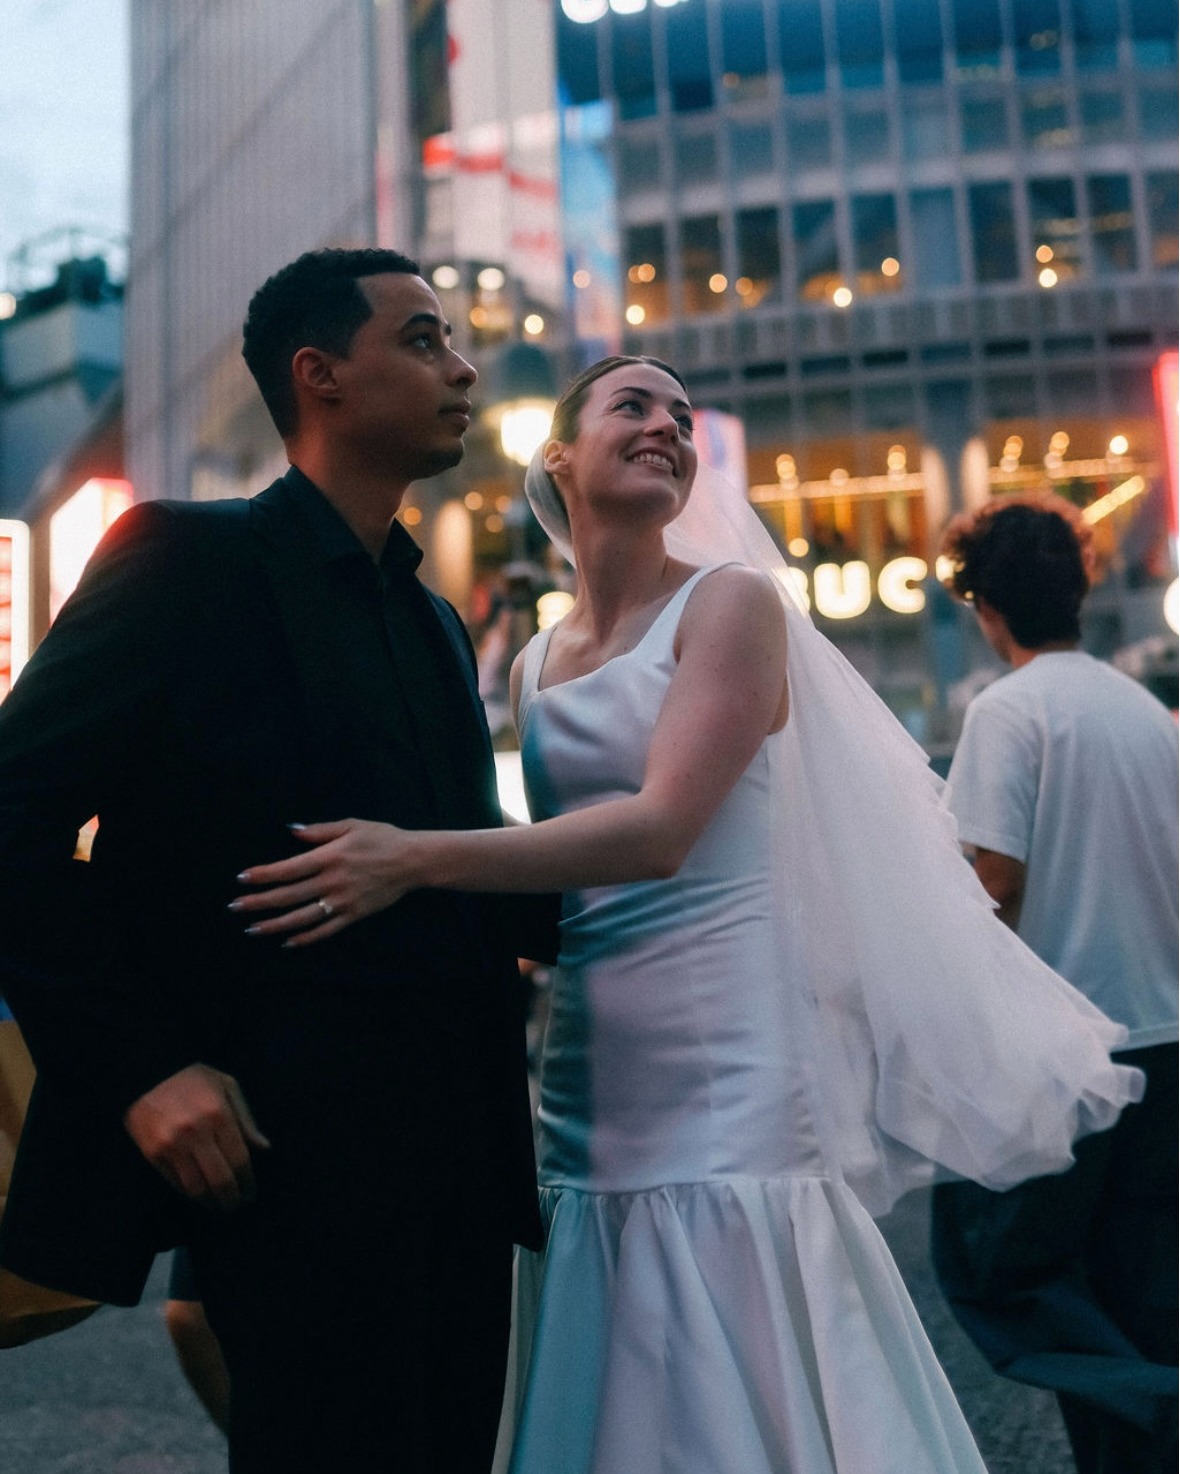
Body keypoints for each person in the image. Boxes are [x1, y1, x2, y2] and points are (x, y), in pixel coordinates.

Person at [234, 356, 1142, 1474]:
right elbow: (557, 865)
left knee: (736, 1330)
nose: (666, 424)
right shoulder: (535, 660)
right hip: (596, 1058)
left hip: (728, 1054)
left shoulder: (730, 603)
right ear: (558, 455)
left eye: (679, 414)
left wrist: (412, 860)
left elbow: (663, 830)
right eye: (633, 405)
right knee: (610, 1338)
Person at [0, 247, 555, 1473]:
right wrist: (141, 1068)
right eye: (422, 339)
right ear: (320, 375)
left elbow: (466, 871)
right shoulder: (186, 562)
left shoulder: (429, 617)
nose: (462, 367)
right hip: (281, 1162)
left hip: (460, 1163)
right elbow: (11, 821)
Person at [931, 494, 1178, 1474]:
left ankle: (1157, 1401)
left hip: (1065, 1050)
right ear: (1079, 588)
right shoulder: (1146, 715)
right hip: (1165, 1037)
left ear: (985, 607)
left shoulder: (1007, 712)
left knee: (996, 1267)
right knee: (1137, 1293)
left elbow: (994, 879)